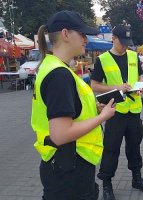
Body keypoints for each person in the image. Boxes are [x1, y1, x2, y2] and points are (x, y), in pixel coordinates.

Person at [31, 10, 116, 200]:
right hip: (69, 168)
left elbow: (68, 113)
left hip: (63, 164)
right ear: (65, 34)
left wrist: (94, 109)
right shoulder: (59, 75)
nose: (86, 39)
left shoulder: (53, 68)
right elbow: (60, 134)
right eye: (82, 34)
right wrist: (102, 117)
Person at [90, 25, 143, 200]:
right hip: (115, 112)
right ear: (113, 39)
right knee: (111, 149)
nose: (126, 46)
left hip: (134, 111)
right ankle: (107, 185)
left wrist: (141, 86)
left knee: (135, 147)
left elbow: (140, 76)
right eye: (122, 42)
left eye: (128, 43)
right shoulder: (102, 59)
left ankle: (137, 179)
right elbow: (94, 85)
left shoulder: (133, 56)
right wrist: (116, 87)